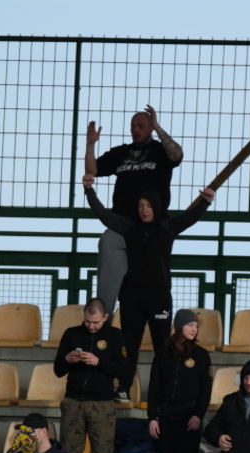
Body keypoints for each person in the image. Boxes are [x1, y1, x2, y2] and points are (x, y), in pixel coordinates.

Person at [84, 177, 214, 396]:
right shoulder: (128, 227)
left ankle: (165, 389)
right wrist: (89, 192)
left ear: (156, 207)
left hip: (159, 295)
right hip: (132, 295)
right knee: (129, 346)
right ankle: (124, 388)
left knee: (163, 346)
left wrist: (205, 202)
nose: (144, 210)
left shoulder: (167, 227)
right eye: (140, 206)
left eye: (148, 206)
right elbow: (104, 215)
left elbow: (189, 218)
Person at [83, 106, 184, 314]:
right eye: (133, 126)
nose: (135, 130)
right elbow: (92, 170)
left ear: (150, 128)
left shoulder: (160, 151)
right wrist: (91, 144)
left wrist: (158, 127)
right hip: (122, 224)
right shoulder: (121, 153)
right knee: (107, 247)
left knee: (151, 283)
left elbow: (176, 155)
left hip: (152, 229)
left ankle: (157, 321)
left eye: (141, 126)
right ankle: (102, 323)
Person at [54, 298, 129, 453]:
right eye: (88, 321)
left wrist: (99, 361)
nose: (91, 326)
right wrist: (67, 360)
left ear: (105, 317)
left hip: (102, 404)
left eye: (95, 322)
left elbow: (124, 370)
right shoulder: (72, 333)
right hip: (73, 402)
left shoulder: (115, 336)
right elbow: (58, 370)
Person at [146, 309, 212, 453]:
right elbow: (153, 388)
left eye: (196, 326)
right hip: (167, 419)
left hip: (189, 420)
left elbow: (206, 391)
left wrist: (198, 415)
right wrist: (153, 417)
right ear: (179, 326)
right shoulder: (163, 353)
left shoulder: (201, 355)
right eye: (190, 325)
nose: (194, 329)